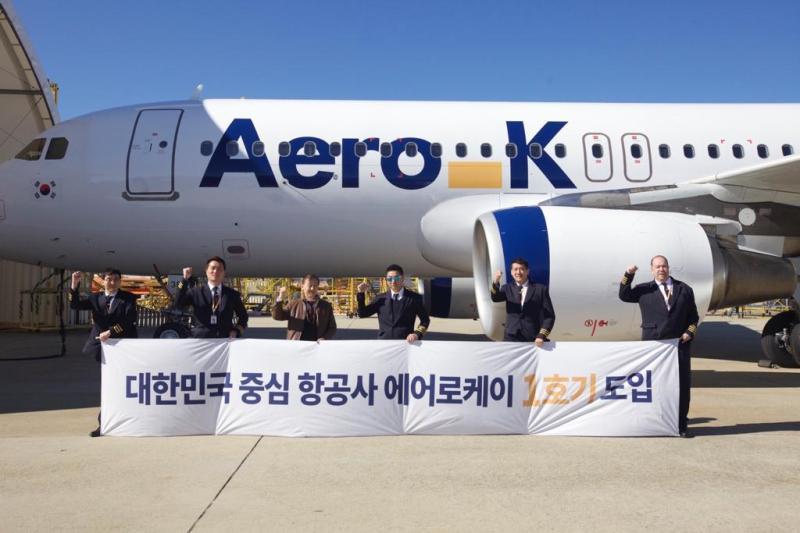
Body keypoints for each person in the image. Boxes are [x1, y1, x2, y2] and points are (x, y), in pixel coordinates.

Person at [618, 255, 699, 438]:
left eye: (664, 266)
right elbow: (623, 295)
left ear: (668, 268)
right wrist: (628, 274)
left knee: (681, 386)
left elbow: (693, 317)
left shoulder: (684, 289)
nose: (661, 269)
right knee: (653, 386)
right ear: (652, 269)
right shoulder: (644, 289)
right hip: (653, 347)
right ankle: (652, 422)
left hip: (678, 346)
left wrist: (690, 332)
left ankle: (681, 425)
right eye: (657, 267)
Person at [69, 268, 138, 437]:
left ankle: (122, 419)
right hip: (102, 349)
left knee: (120, 385)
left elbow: (129, 320)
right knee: (107, 386)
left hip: (122, 348)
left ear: (120, 281)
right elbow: (75, 305)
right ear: (103, 280)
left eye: (115, 279)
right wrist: (74, 286)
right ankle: (104, 423)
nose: (112, 282)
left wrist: (111, 332)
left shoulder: (128, 298)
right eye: (109, 279)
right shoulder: (95, 298)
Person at [176, 256, 248, 338]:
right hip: (201, 339)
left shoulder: (232, 294)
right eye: (213, 268)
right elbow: (178, 303)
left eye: (219, 269)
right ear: (206, 271)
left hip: (225, 339)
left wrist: (236, 330)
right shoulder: (196, 292)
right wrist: (183, 280)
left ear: (224, 273)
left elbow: (243, 316)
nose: (216, 271)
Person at [490, 257, 555, 346]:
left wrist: (542, 335)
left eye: (522, 269)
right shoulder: (507, 288)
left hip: (533, 338)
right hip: (510, 337)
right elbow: (495, 298)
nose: (518, 272)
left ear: (527, 271)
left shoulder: (540, 290)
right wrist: (496, 282)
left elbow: (549, 316)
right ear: (511, 272)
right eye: (515, 269)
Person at [357, 264, 430, 342]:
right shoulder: (380, 299)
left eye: (396, 278)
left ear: (402, 278)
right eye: (389, 279)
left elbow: (425, 320)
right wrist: (361, 294)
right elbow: (362, 314)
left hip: (405, 344)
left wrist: (417, 334)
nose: (393, 281)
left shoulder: (414, 298)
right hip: (384, 343)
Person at [272, 274, 337, 341]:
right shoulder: (293, 304)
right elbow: (277, 316)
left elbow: (332, 327)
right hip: (297, 345)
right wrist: (280, 298)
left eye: (315, 286)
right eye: (310, 285)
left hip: (317, 345)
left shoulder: (326, 306)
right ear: (302, 286)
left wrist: (324, 338)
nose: (312, 288)